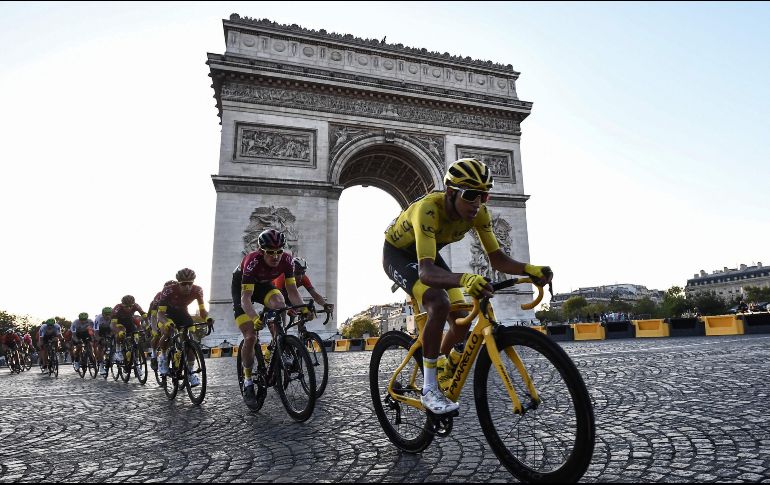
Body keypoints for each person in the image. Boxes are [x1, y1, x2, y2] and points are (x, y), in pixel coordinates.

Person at [383, 158, 553, 414]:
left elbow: (497, 259)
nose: (477, 203)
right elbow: (427, 272)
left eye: (484, 196)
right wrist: (465, 278)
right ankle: (430, 389)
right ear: (451, 193)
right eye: (471, 195)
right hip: (399, 254)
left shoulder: (479, 213)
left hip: (428, 253)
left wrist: (529, 269)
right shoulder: (427, 209)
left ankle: (442, 362)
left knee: (461, 321)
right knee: (438, 303)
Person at [232, 228, 310, 409]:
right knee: (251, 336)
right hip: (243, 289)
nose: (275, 257)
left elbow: (292, 291)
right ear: (261, 251)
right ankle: (248, 381)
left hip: (264, 286)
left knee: (280, 302)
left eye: (279, 252)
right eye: (270, 253)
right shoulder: (252, 261)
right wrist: (254, 317)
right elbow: (245, 299)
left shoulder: (287, 259)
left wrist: (303, 308)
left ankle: (278, 343)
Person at [156, 269, 208, 386]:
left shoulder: (198, 290)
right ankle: (163, 358)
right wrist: (166, 323)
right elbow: (160, 314)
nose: (187, 287)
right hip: (167, 314)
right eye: (184, 284)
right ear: (178, 283)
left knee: (190, 341)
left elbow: (202, 311)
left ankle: (189, 372)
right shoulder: (168, 290)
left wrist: (207, 319)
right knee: (167, 331)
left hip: (183, 314)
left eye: (190, 283)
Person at [272, 257, 334, 322]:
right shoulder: (282, 276)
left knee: (307, 312)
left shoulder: (304, 278)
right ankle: (280, 327)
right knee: (282, 312)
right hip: (275, 295)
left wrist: (325, 304)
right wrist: (287, 308)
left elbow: (314, 294)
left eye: (303, 273)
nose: (300, 276)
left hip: (289, 296)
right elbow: (278, 298)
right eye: (297, 273)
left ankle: (300, 327)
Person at [148, 280, 177, 371]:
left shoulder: (180, 295)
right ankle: (156, 354)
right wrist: (154, 329)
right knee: (160, 333)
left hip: (173, 316)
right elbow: (153, 315)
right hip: (157, 315)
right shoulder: (159, 296)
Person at [110, 295, 147, 363]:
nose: (129, 308)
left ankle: (135, 359)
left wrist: (148, 325)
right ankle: (118, 351)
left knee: (136, 337)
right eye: (126, 306)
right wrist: (119, 332)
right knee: (121, 332)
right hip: (118, 323)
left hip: (129, 322)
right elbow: (113, 325)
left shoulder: (136, 306)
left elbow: (144, 315)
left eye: (130, 306)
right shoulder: (117, 308)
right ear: (122, 304)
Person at [93, 307, 113, 376]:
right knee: (101, 346)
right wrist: (99, 339)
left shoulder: (113, 316)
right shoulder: (98, 318)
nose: (108, 316)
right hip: (100, 331)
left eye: (109, 314)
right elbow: (96, 332)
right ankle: (101, 365)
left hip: (109, 329)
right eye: (106, 314)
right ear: (102, 314)